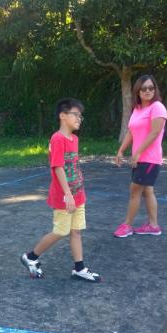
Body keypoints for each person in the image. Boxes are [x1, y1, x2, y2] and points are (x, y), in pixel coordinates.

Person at [20, 98, 100, 282]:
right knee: (61, 231)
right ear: (62, 116)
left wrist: (77, 191)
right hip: (65, 197)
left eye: (80, 116)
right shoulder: (57, 139)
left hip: (78, 194)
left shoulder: (75, 139)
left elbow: (74, 166)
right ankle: (30, 257)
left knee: (76, 231)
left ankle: (79, 268)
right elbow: (58, 167)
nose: (79, 119)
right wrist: (68, 194)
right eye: (75, 115)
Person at [113, 75, 167, 238]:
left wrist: (137, 152)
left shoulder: (157, 107)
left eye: (151, 88)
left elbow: (155, 132)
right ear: (137, 91)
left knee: (134, 191)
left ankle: (127, 226)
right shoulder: (137, 109)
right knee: (147, 191)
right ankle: (153, 226)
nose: (148, 91)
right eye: (144, 88)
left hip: (149, 158)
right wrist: (121, 150)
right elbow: (131, 132)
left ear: (155, 90)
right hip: (140, 158)